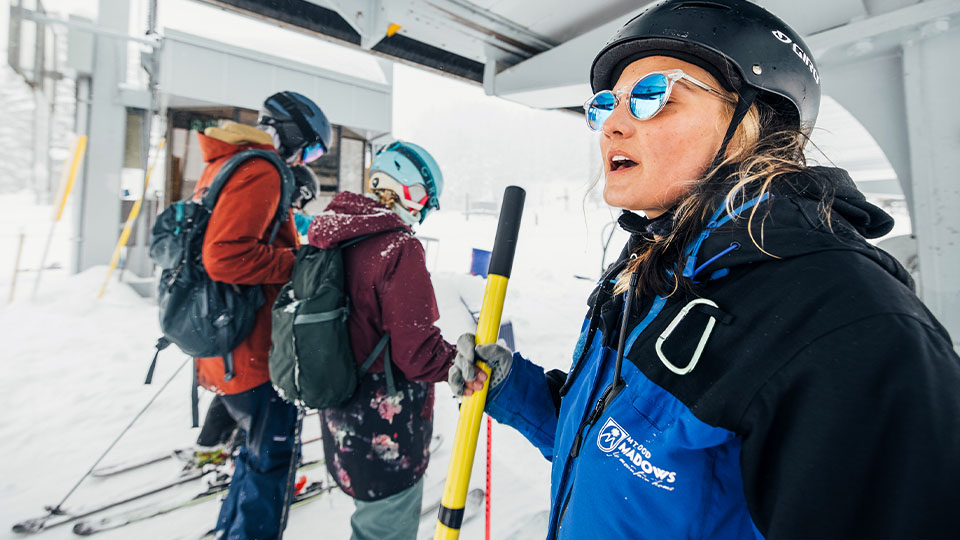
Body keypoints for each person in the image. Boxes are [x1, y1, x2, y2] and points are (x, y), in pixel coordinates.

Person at [447, 1, 960, 538]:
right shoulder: (650, 271)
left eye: (652, 96)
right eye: (604, 105)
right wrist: (512, 388)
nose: (612, 125)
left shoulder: (846, 322)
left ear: (753, 123)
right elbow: (621, 454)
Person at [193, 90, 332, 539]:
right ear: (292, 135)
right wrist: (298, 264)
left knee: (254, 462)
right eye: (309, 149)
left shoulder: (227, 163)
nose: (303, 159)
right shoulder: (263, 170)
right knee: (271, 466)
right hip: (255, 356)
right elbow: (223, 257)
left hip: (224, 345)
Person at [308, 141, 455, 540]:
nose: (422, 212)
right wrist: (461, 364)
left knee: (369, 521)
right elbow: (418, 353)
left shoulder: (330, 234)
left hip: (339, 414)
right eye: (426, 201)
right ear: (411, 191)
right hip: (386, 429)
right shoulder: (397, 247)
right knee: (383, 530)